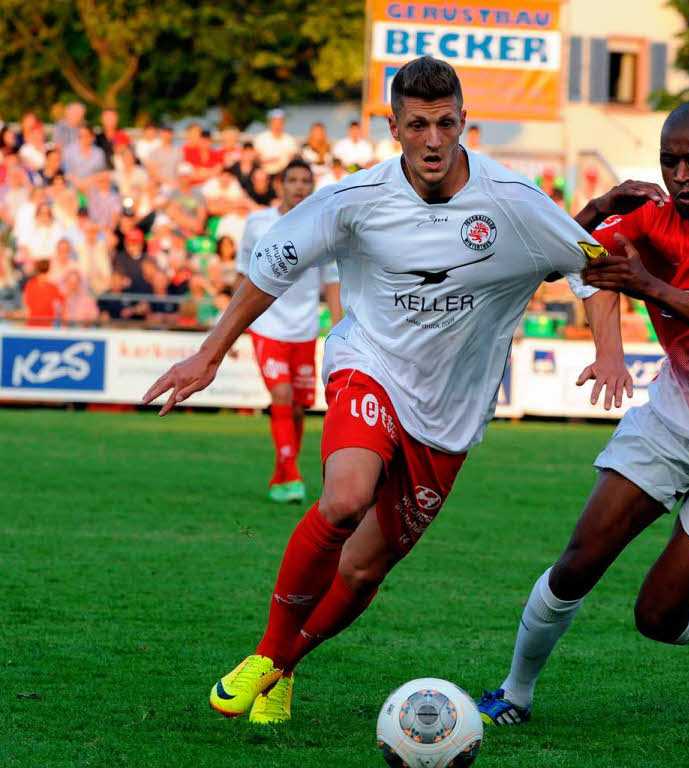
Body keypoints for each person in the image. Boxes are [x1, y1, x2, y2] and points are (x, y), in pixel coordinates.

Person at [142, 56, 629, 727]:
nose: (434, 139)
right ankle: (265, 654)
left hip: (450, 416)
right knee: (344, 500)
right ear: (393, 127)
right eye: (419, 124)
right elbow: (271, 268)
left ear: (464, 123)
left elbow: (595, 266)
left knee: (364, 570)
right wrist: (210, 351)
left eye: (447, 123)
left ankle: (285, 670)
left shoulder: (515, 202)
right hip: (368, 364)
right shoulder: (355, 200)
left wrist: (610, 350)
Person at [477, 101, 689, 725]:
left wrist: (649, 287)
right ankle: (515, 694)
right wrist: (603, 210)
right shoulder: (648, 220)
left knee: (657, 619)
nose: (682, 174)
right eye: (669, 162)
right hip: (672, 417)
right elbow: (559, 262)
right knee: (578, 560)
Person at [235, 159, 342, 502]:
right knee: (281, 396)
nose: (298, 186)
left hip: (304, 329)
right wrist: (234, 323)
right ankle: (293, 476)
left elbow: (332, 280)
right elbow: (243, 273)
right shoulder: (258, 223)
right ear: (279, 185)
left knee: (297, 407)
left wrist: (339, 330)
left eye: (304, 181)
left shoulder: (321, 226)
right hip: (266, 324)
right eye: (292, 180)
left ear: (311, 186)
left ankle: (281, 474)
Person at [254, 109, 298, 177]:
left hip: (284, 174)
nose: (277, 124)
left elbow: (293, 158)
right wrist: (268, 161)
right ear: (270, 123)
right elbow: (256, 159)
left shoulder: (289, 139)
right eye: (275, 121)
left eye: (280, 122)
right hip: (265, 174)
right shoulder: (261, 138)